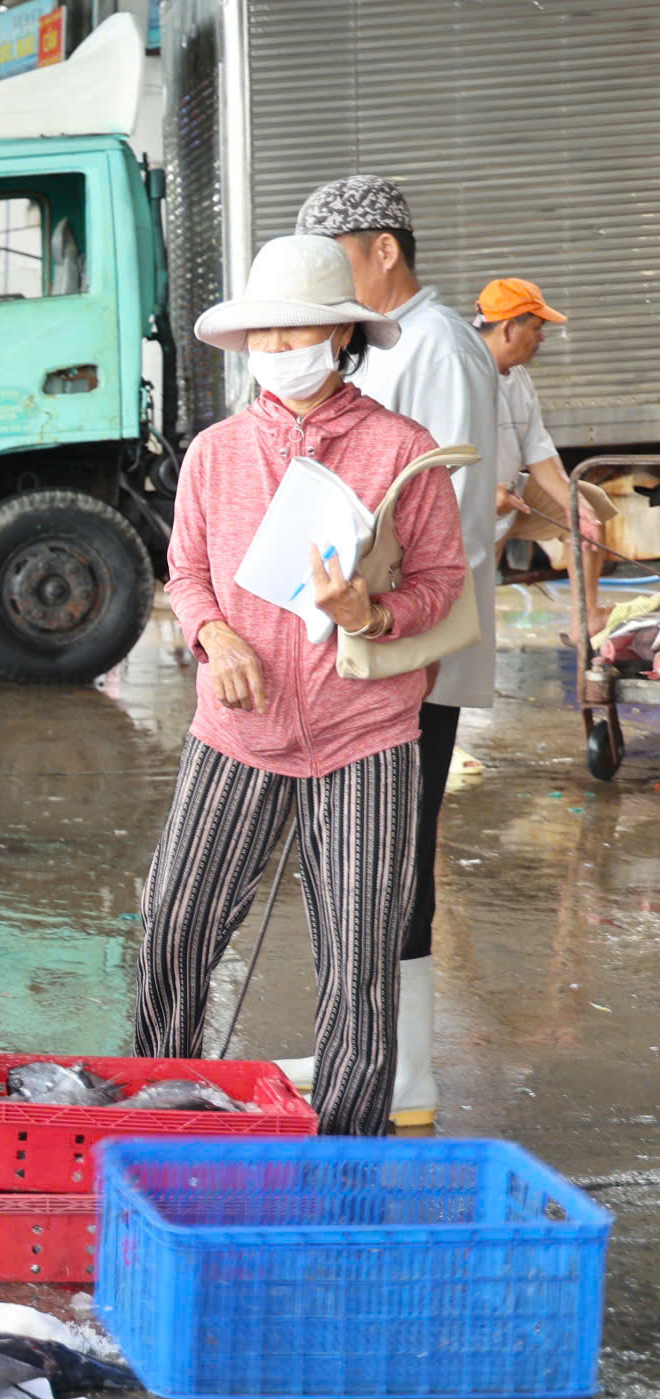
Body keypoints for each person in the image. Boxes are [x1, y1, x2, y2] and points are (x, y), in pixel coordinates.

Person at [136, 234, 467, 1136]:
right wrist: (214, 637)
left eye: (297, 331)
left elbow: (442, 583)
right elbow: (185, 572)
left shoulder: (403, 450)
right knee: (174, 924)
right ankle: (160, 1122)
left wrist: (371, 613)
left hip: (366, 736)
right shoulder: (214, 453)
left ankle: (346, 1159)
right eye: (265, 334)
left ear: (342, 335)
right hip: (236, 733)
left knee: (360, 964)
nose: (278, 350)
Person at [290, 175, 500, 1125]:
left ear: (384, 248)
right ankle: (359, 1041)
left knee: (397, 859)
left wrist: (384, 613)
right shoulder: (381, 345)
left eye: (337, 259)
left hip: (414, 649)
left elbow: (447, 511)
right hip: (368, 640)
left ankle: (407, 1073)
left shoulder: (438, 344)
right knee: (355, 858)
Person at [474, 279, 607, 620]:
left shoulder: (519, 378)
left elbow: (540, 455)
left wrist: (576, 509)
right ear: (508, 329)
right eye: (536, 328)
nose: (542, 338)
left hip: (511, 495)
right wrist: (482, 493)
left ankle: (587, 620)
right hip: (463, 509)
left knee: (587, 505)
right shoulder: (459, 372)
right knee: (467, 625)